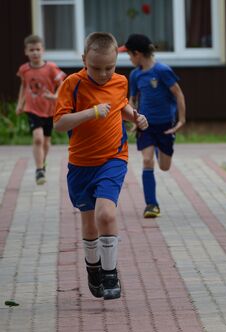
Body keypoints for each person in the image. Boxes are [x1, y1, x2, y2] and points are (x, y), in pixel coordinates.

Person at [54, 32, 148, 300]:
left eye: (110, 67)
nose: (104, 74)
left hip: (113, 158)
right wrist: (92, 112)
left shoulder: (120, 81)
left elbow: (121, 106)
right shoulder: (71, 84)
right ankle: (93, 267)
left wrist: (135, 117)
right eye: (96, 68)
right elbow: (59, 124)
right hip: (81, 164)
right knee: (89, 223)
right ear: (84, 59)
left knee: (105, 215)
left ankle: (110, 274)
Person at [121, 34, 186, 219]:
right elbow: (133, 100)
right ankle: (151, 204)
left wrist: (182, 120)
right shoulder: (135, 75)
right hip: (146, 125)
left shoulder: (162, 70)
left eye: (129, 55)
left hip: (166, 125)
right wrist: (134, 120)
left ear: (138, 53)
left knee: (164, 167)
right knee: (147, 161)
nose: (129, 59)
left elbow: (179, 95)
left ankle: (160, 148)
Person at [16, 34, 66, 185]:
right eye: (32, 50)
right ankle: (39, 170)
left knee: (46, 142)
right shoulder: (24, 69)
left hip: (49, 110)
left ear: (43, 50)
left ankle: (42, 163)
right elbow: (24, 86)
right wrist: (20, 103)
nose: (35, 53)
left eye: (38, 49)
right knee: (37, 139)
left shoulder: (50, 68)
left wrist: (55, 96)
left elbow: (63, 83)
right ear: (26, 51)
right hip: (32, 108)